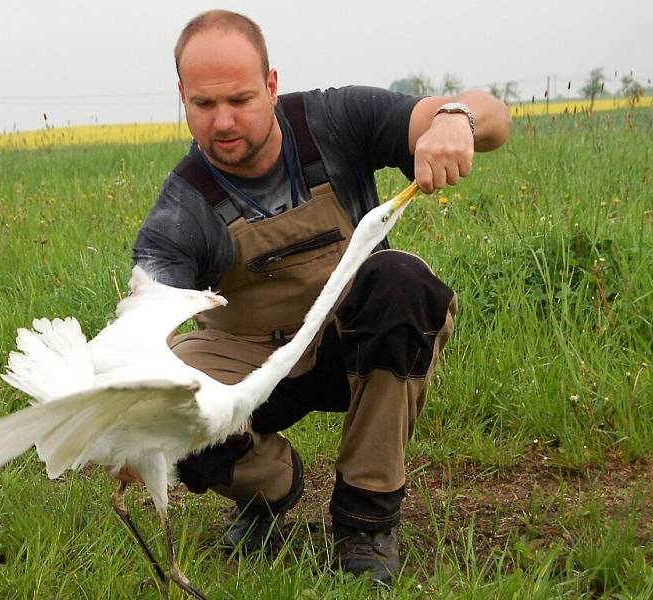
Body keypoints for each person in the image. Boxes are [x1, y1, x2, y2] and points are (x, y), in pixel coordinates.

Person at [126, 9, 511, 585]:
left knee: (402, 282)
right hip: (252, 367)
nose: (223, 121)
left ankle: (365, 518)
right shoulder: (182, 211)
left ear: (272, 85)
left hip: (350, 344)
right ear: (182, 96)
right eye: (204, 105)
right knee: (159, 408)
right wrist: (129, 419)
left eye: (240, 99)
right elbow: (138, 330)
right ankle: (270, 491)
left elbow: (494, 116)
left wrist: (455, 119)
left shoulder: (334, 121)